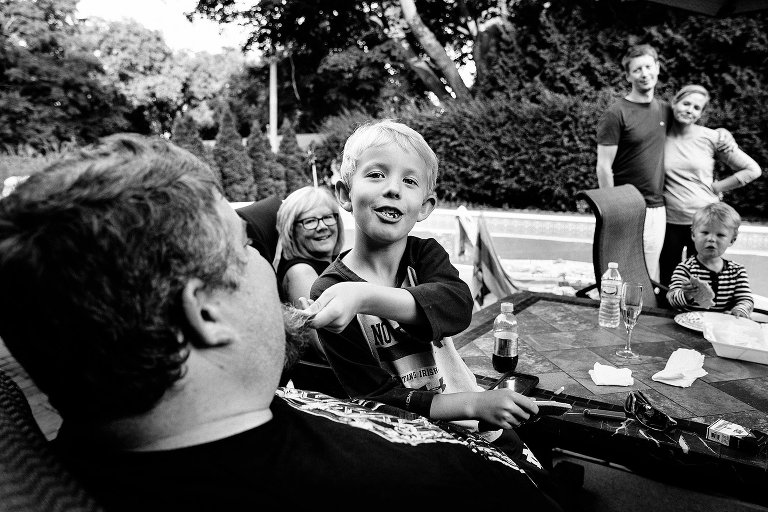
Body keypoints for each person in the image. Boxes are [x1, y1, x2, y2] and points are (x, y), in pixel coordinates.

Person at [0, 133, 562, 510]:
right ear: (205, 311)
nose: (273, 270)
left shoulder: (90, 455)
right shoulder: (424, 491)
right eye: (246, 247)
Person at [304, 120, 547, 470]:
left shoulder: (424, 256)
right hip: (408, 446)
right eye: (376, 175)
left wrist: (363, 297)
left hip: (478, 422)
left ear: (424, 206)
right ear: (344, 194)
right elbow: (375, 397)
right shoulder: (328, 291)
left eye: (409, 180)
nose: (393, 189)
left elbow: (458, 306)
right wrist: (472, 405)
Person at [595, 44, 735, 281]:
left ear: (657, 69)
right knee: (617, 267)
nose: (644, 73)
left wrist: (722, 132)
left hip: (657, 208)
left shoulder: (665, 110)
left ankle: (644, 315)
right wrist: (612, 210)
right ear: (628, 75)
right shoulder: (616, 112)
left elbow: (690, 126)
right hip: (626, 206)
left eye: (648, 67)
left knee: (650, 272)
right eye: (637, 69)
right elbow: (603, 166)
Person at [658, 84, 761, 286]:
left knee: (705, 280)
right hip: (669, 221)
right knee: (669, 280)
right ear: (675, 103)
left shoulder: (712, 137)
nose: (689, 110)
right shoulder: (659, 134)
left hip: (706, 221)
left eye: (696, 108)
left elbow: (752, 170)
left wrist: (717, 187)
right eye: (686, 103)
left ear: (701, 114)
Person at [666, 202, 753, 318]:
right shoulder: (685, 268)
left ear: (732, 240)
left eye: (720, 235)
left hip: (722, 328)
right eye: (705, 232)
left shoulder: (737, 271)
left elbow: (745, 299)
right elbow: (672, 300)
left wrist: (739, 310)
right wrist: (686, 294)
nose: (711, 239)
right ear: (693, 235)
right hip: (688, 327)